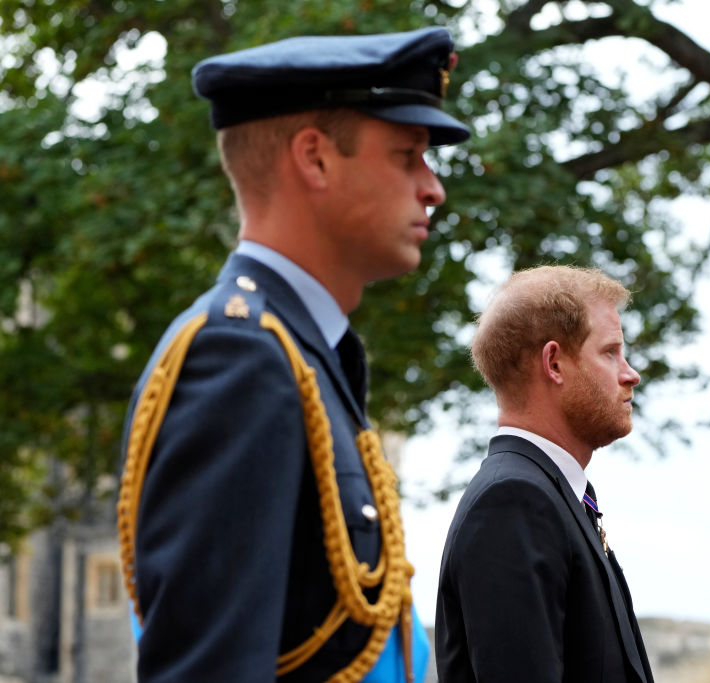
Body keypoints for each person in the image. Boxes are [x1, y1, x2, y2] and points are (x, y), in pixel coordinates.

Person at [116, 27, 470, 682]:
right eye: (407, 154)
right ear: (315, 159)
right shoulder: (238, 355)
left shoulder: (305, 351)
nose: (432, 187)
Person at [435, 265, 655, 683]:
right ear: (554, 363)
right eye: (610, 352)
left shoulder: (551, 495)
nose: (630, 374)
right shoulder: (515, 501)